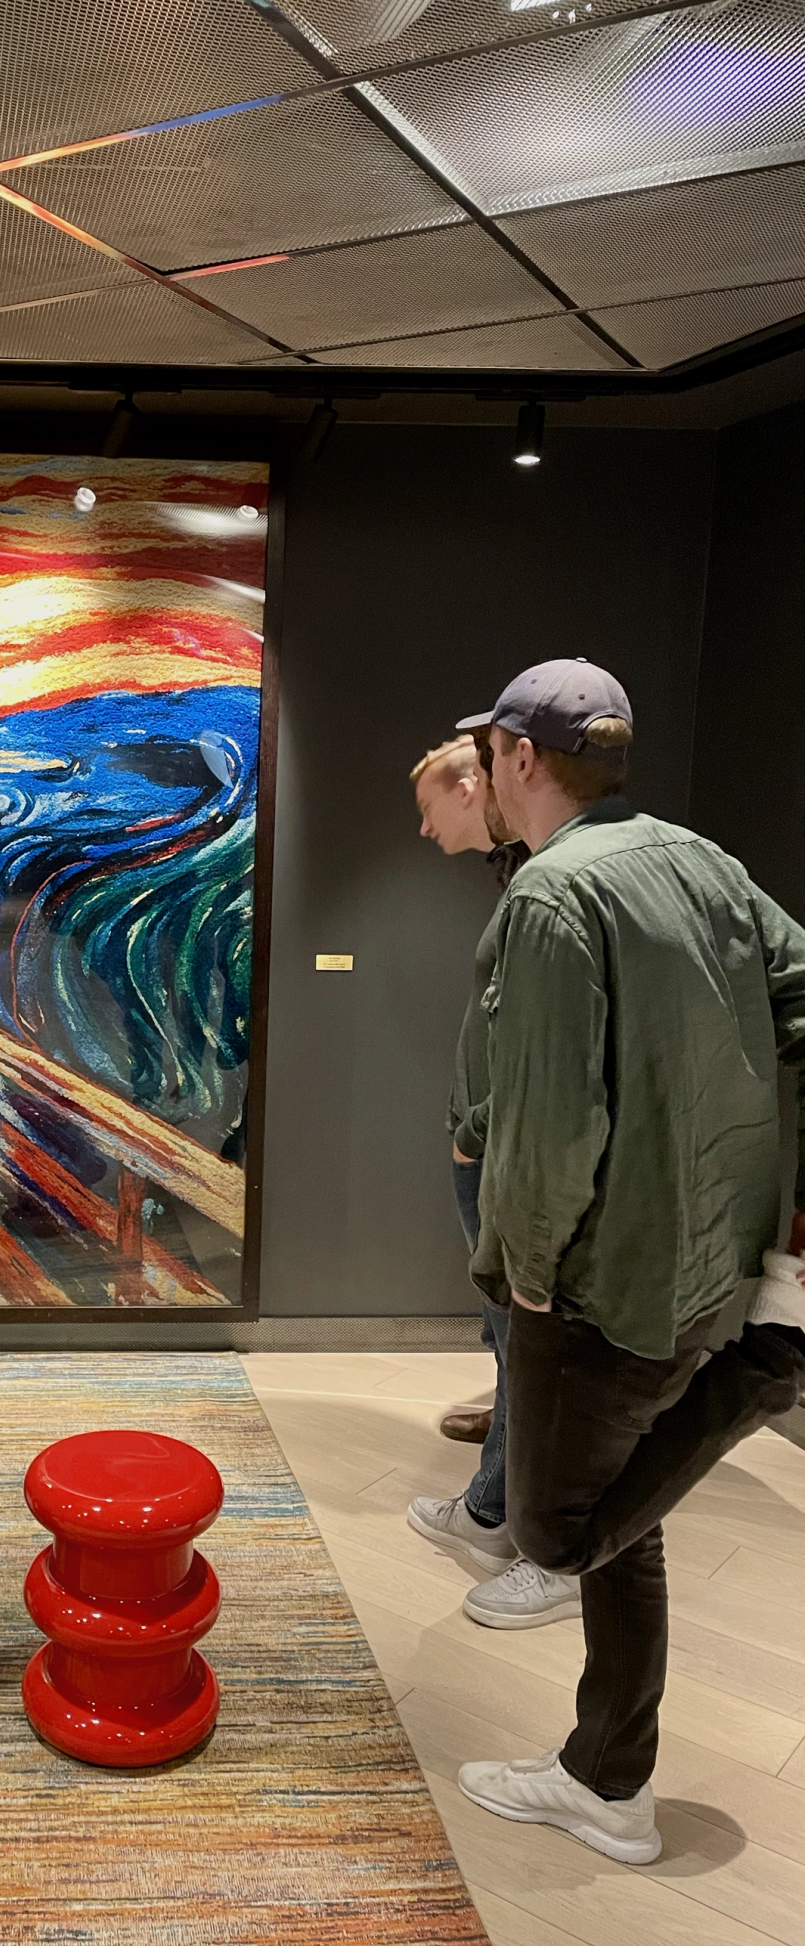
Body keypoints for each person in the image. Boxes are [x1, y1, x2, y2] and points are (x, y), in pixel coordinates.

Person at [447, 658, 805, 1864]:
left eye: (490, 755)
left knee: (556, 1536)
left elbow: (552, 1129)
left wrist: (523, 1269)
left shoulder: (553, 897)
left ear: (520, 758)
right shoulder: (701, 859)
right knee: (627, 1521)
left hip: (606, 1280)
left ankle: (764, 1377)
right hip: (714, 1252)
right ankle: (607, 1780)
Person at [406, 737, 581, 1628]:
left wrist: (476, 1134)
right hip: (495, 1147)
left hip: (511, 1156)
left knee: (527, 1338)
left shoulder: (558, 883)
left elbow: (539, 1043)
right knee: (509, 1333)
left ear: (482, 780)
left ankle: (507, 1517)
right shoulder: (523, 874)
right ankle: (498, 1495)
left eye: (429, 807)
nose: (424, 829)